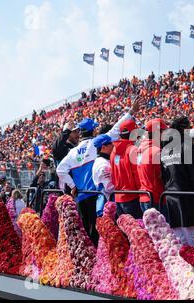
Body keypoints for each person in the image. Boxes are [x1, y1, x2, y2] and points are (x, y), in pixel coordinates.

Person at [57, 97, 144, 245]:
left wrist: (72, 186)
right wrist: (130, 112)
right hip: (99, 197)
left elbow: (60, 170)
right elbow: (117, 128)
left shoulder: (72, 153)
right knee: (102, 234)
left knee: (88, 235)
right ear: (93, 130)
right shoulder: (96, 143)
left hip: (82, 197)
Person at [161, 117, 194, 249]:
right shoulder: (187, 147)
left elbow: (164, 176)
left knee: (181, 243)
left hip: (172, 199)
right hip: (190, 199)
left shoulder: (165, 151)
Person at [111, 119, 143, 218]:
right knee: (139, 231)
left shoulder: (113, 151)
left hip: (119, 198)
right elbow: (138, 176)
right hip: (133, 197)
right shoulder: (132, 150)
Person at [137, 118, 168, 212]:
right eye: (164, 131)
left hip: (144, 196)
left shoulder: (140, 149)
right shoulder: (156, 151)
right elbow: (163, 176)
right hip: (156, 198)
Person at [92, 135, 116, 217]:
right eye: (110, 143)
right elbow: (109, 188)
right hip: (108, 205)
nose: (113, 145)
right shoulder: (103, 165)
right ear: (103, 147)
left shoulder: (103, 161)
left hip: (109, 204)